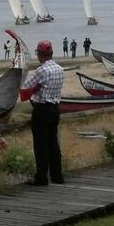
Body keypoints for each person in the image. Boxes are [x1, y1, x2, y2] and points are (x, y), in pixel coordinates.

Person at [19, 40, 65, 185]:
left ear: (40, 54)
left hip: (42, 109)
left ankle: (41, 177)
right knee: (53, 143)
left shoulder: (42, 70)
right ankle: (57, 175)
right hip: (55, 108)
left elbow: (27, 86)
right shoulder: (59, 69)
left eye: (37, 53)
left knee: (40, 144)